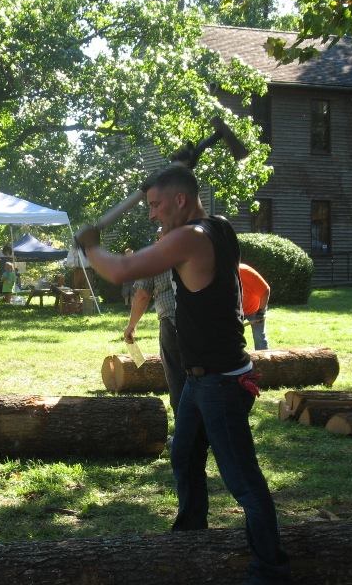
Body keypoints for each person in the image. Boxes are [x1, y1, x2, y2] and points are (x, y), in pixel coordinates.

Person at [76, 161, 290, 584]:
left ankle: (271, 569)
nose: (152, 214)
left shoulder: (190, 238)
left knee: (242, 480)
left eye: (156, 205)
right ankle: (191, 534)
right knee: (184, 453)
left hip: (220, 381)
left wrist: (91, 246)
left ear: (180, 199)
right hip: (201, 378)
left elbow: (120, 270)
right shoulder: (218, 227)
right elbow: (170, 234)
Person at [124, 229, 183, 416]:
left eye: (159, 237)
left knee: (176, 375)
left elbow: (142, 295)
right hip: (199, 322)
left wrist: (131, 325)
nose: (157, 241)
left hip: (172, 322)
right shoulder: (193, 251)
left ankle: (185, 425)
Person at [240, 263, 270, 351]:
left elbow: (266, 290)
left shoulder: (245, 272)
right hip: (237, 310)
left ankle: (264, 357)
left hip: (256, 309)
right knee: (231, 336)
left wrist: (261, 312)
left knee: (259, 337)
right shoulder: (219, 274)